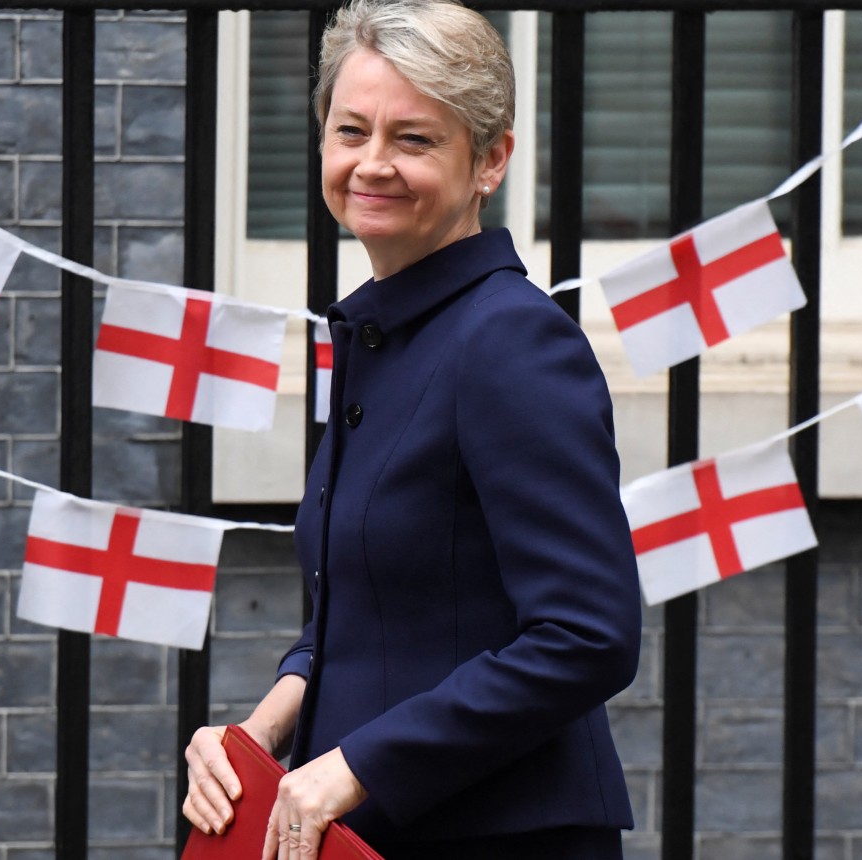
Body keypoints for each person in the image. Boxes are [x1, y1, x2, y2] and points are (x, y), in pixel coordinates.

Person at [182, 1, 641, 857]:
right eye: (350, 130)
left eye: (415, 139)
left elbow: (588, 636)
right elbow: (363, 612)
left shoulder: (509, 339)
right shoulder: (376, 337)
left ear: (490, 159)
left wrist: (355, 765)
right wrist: (253, 738)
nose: (372, 164)